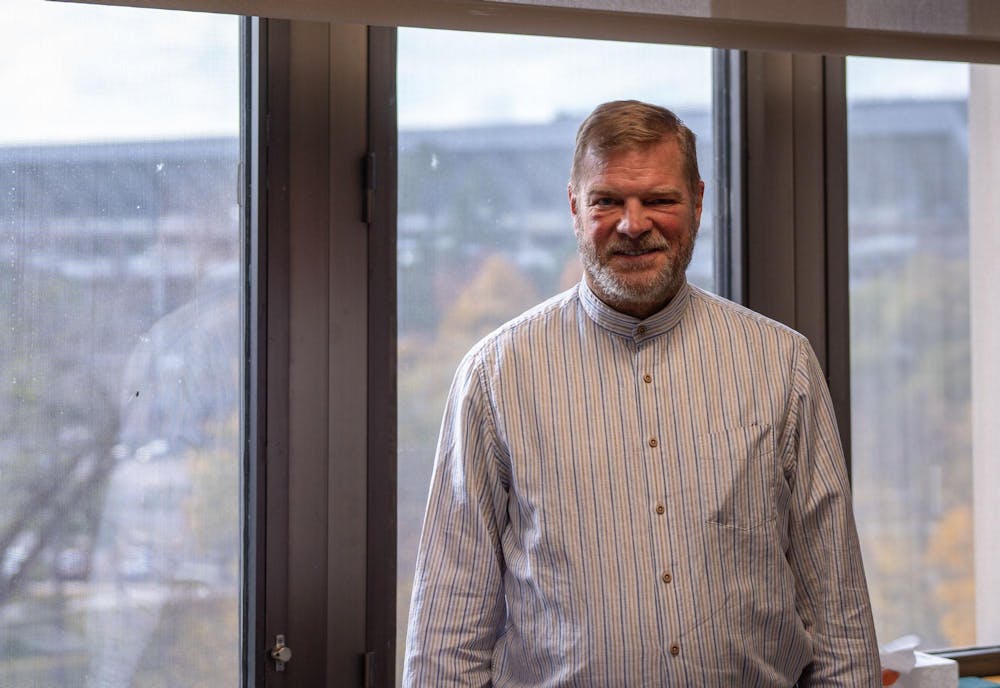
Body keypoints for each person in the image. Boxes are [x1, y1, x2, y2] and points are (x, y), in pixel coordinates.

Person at [403, 100, 880, 686]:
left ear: (698, 203)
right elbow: (447, 637)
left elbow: (839, 622)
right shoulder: (496, 377)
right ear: (574, 207)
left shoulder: (782, 366)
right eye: (607, 201)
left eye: (659, 200)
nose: (634, 224)